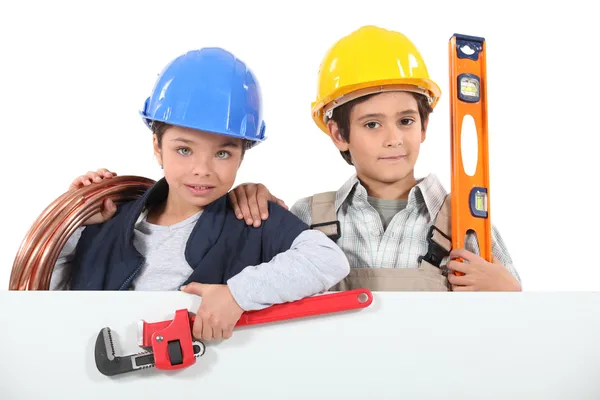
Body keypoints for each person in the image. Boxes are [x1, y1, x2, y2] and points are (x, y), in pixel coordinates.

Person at [50, 47, 350, 341]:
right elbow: (46, 296)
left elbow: (328, 261)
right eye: (184, 150)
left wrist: (237, 294)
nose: (202, 169)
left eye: (222, 153)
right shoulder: (108, 222)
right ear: (157, 146)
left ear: (242, 156)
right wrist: (75, 223)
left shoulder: (254, 220)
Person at [228, 25, 522, 292]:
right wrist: (245, 200)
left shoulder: (467, 222)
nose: (393, 138)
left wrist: (509, 292)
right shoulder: (307, 217)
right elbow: (256, 296)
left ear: (424, 126)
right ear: (339, 134)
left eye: (405, 121)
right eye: (372, 124)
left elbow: (515, 327)